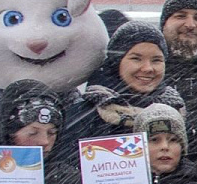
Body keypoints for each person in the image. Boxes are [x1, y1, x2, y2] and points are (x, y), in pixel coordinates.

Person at [55, 21, 186, 162]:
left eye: (156, 60)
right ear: (117, 62)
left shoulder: (176, 112)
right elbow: (63, 170)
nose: (148, 68)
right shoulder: (84, 116)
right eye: (136, 58)